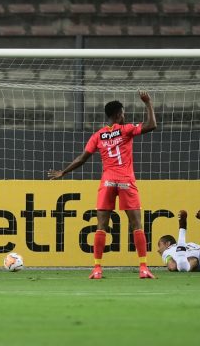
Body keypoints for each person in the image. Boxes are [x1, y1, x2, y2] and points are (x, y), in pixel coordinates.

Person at [48, 93, 157, 279]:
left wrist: (64, 172)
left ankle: (97, 268)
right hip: (125, 180)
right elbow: (151, 125)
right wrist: (148, 103)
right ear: (117, 115)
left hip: (107, 181)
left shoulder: (98, 135)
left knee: (102, 225)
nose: (124, 116)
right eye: (123, 113)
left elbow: (83, 158)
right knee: (136, 223)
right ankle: (143, 268)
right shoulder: (125, 130)